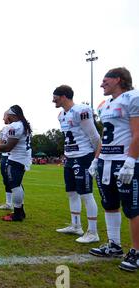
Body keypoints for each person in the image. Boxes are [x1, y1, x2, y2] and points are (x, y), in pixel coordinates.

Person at [88, 67, 139, 272]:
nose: (101, 84)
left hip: (124, 161)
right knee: (109, 204)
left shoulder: (132, 98)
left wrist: (131, 160)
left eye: (105, 80)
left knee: (133, 209)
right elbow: (104, 136)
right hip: (106, 161)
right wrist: (96, 159)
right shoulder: (105, 104)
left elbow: (138, 132)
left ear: (118, 79)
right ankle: (114, 245)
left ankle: (136, 251)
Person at [53, 85, 100, 244]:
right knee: (71, 193)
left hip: (83, 155)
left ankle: (93, 232)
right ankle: (76, 225)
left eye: (55, 97)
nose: (53, 100)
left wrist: (96, 158)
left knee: (86, 194)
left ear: (64, 96)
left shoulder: (82, 110)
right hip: (71, 157)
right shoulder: (61, 115)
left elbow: (94, 136)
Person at [0, 105, 32, 222]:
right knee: (17, 185)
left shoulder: (15, 126)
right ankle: (20, 211)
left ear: (12, 115)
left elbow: (8, 147)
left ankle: (18, 214)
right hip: (22, 158)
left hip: (17, 159)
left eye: (7, 116)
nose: (5, 119)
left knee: (14, 185)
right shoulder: (22, 125)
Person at [0, 112, 13, 210]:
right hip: (4, 156)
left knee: (14, 181)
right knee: (6, 180)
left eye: (4, 116)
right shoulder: (2, 130)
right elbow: (1, 144)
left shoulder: (17, 127)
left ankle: (18, 206)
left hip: (13, 156)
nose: (3, 118)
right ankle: (8, 203)